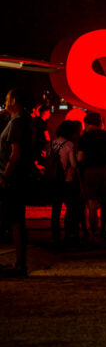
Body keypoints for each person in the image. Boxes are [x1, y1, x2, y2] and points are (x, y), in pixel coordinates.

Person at [1, 88, 39, 275]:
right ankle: (20, 262)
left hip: (12, 179)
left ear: (14, 100)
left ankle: (20, 264)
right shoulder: (22, 122)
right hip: (18, 177)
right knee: (16, 220)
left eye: (7, 99)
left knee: (15, 220)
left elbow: (15, 154)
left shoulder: (17, 123)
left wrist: (5, 176)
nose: (5, 101)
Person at [77, 111, 106, 245]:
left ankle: (94, 233)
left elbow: (80, 157)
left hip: (90, 171)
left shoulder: (84, 137)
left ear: (87, 123)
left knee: (92, 204)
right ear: (99, 123)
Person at [47, 119, 82, 248]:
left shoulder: (51, 144)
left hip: (54, 180)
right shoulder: (69, 145)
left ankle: (55, 236)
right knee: (70, 208)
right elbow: (72, 164)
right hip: (67, 181)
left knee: (55, 210)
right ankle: (68, 234)